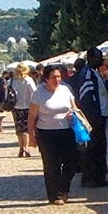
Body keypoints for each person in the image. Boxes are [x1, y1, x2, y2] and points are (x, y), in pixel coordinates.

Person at [28, 65, 79, 205]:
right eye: (53, 77)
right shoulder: (39, 93)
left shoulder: (65, 90)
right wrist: (32, 136)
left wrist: (73, 113)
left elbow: (74, 108)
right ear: (46, 79)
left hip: (67, 131)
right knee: (52, 165)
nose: (57, 80)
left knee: (71, 163)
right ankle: (54, 195)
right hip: (46, 133)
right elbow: (32, 117)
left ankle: (64, 189)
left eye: (58, 77)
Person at [75, 47, 108, 188]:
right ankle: (89, 178)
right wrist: (93, 117)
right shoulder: (87, 75)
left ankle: (99, 177)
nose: (101, 60)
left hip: (100, 117)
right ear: (90, 58)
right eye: (99, 57)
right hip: (93, 119)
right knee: (91, 149)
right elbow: (86, 97)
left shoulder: (93, 73)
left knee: (99, 149)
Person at [10, 63, 37, 157]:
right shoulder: (28, 80)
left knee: (18, 127)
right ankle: (26, 147)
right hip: (27, 106)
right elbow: (34, 92)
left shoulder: (12, 80)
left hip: (15, 106)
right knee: (26, 127)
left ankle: (21, 147)